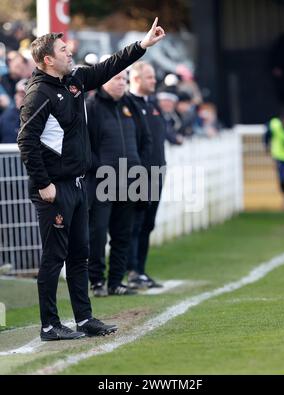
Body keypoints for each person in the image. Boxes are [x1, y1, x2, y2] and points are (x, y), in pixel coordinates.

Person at [17, 18, 165, 341]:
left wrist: (142, 45)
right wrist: (44, 184)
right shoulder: (38, 93)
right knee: (54, 258)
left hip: (78, 184)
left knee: (80, 255)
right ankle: (49, 325)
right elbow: (25, 142)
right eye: (62, 49)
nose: (69, 51)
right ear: (47, 60)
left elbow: (111, 65)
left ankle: (84, 320)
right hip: (54, 189)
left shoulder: (75, 81)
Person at [86, 69, 151, 297]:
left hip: (130, 179)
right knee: (98, 233)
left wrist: (139, 167)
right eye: (116, 78)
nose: (121, 83)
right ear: (104, 80)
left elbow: (145, 139)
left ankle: (116, 282)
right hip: (102, 180)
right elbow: (85, 145)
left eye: (124, 79)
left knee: (123, 233)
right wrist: (99, 167)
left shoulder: (130, 106)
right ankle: (96, 281)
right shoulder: (91, 106)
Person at [126, 61, 167, 289]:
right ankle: (131, 270)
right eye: (150, 77)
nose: (154, 81)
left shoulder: (153, 105)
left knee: (148, 223)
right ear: (138, 78)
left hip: (157, 173)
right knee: (135, 223)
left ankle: (140, 269)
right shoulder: (128, 104)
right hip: (137, 174)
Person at [0, 78, 27, 143]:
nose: (23, 98)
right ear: (15, 96)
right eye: (20, 95)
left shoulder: (40, 116)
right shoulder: (5, 118)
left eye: (26, 95)